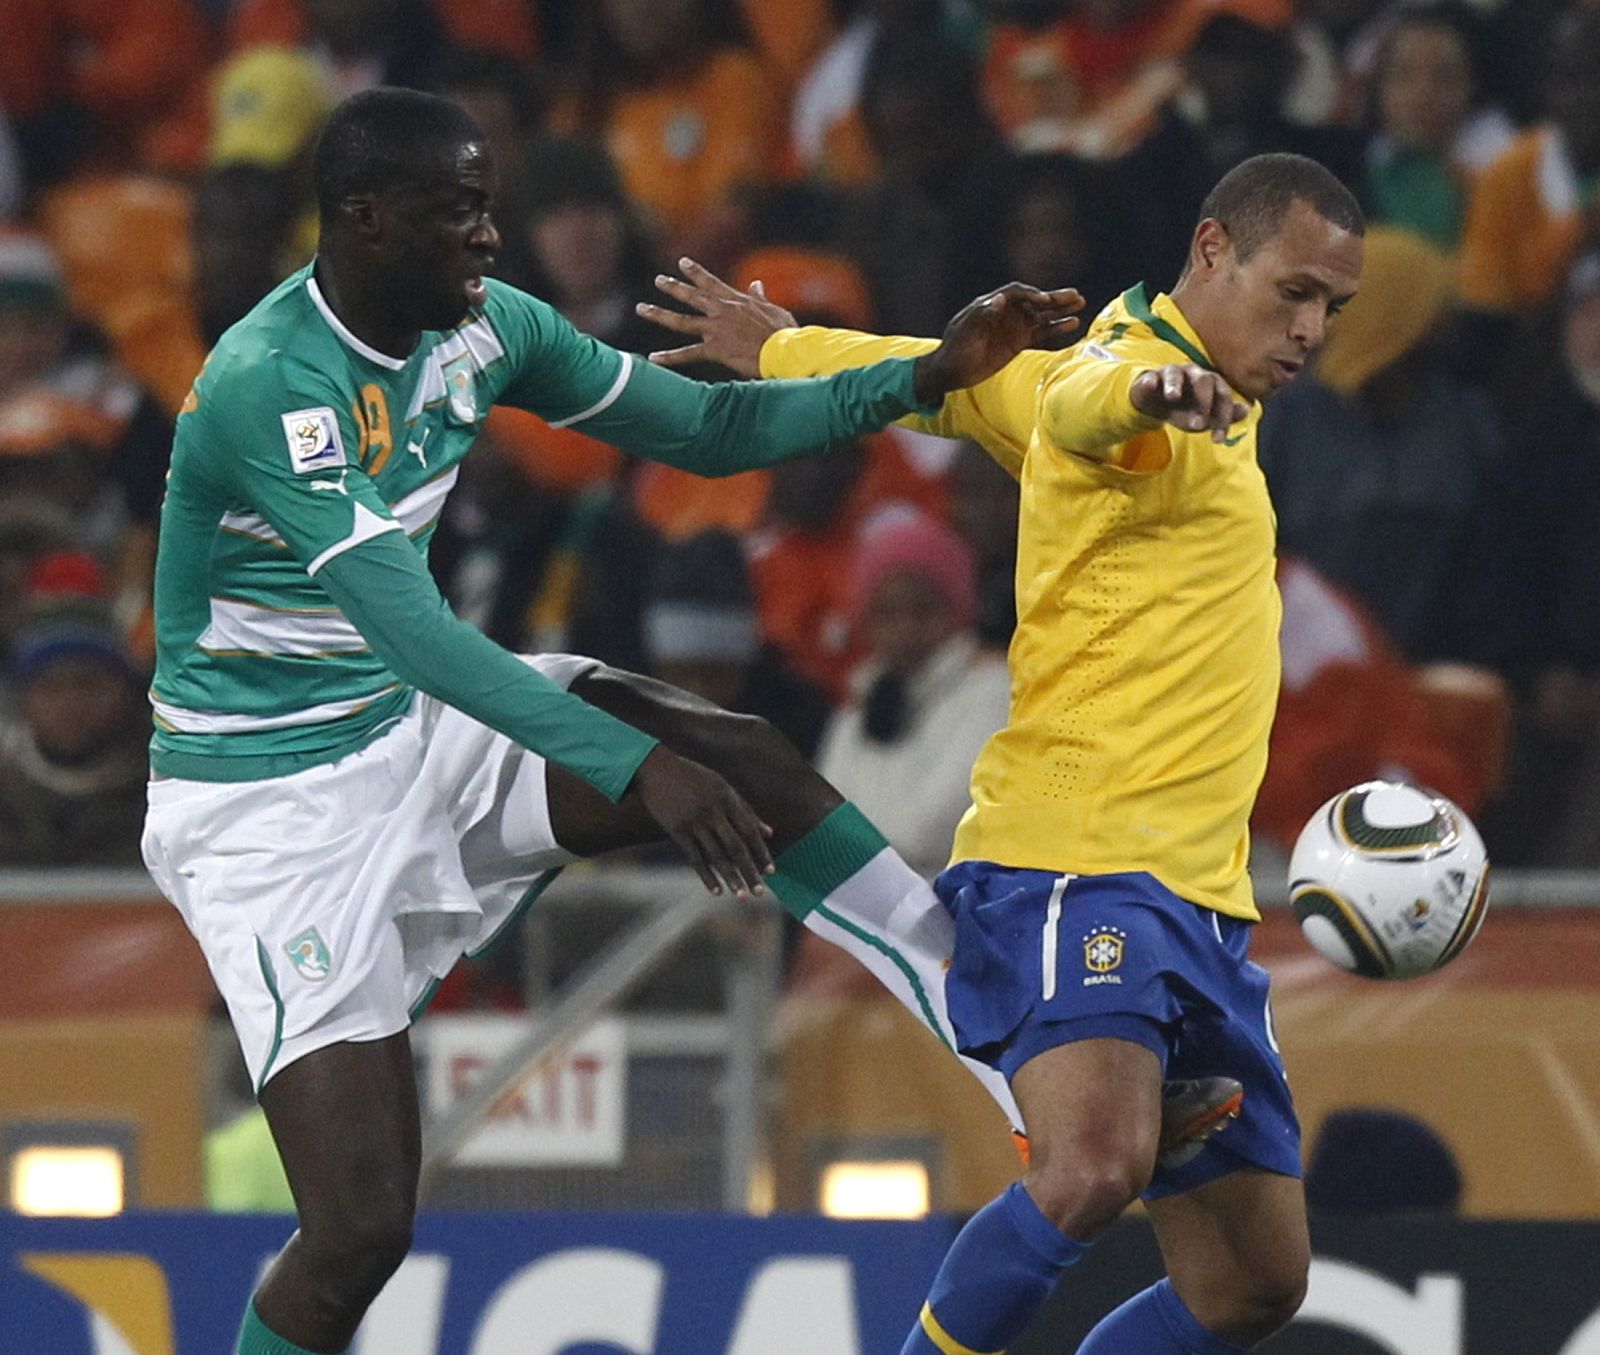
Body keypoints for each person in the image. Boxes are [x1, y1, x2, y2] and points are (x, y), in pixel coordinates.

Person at [142, 87, 1087, 1355]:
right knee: (360, 1228)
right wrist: (630, 764)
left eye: (492, 210)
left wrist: (920, 376)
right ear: (365, 219)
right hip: (265, 806)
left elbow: (702, 428)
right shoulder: (271, 385)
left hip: (412, 722)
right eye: (459, 214)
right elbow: (413, 626)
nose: (490, 240)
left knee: (745, 757)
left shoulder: (485, 327)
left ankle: (1023, 1061)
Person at [642, 151, 1365, 1354]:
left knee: (1251, 1280)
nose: (1308, 330)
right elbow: (1098, 400)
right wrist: (1160, 400)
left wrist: (783, 344)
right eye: (1291, 290)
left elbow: (937, 382)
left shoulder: (1106, 388)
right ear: (1209, 251)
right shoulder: (1140, 380)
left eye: (1330, 309)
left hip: (1195, 900)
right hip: (1078, 868)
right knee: (1091, 1164)